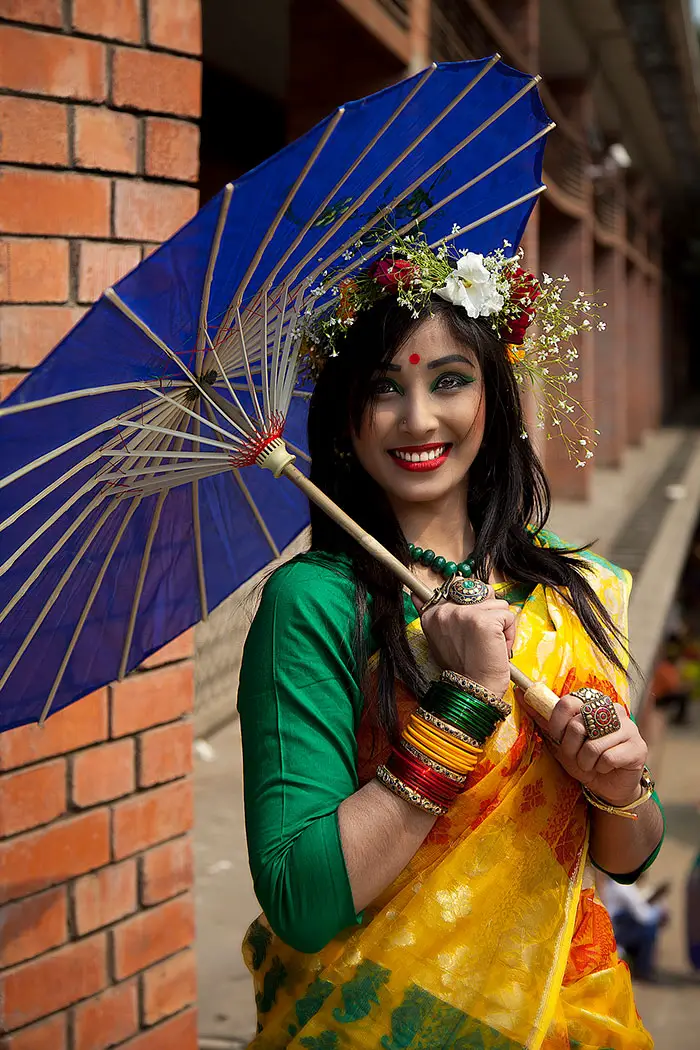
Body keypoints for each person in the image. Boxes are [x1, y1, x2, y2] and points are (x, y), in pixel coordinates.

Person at [237, 240, 665, 1049]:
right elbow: (302, 900)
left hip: (572, 1019)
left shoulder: (576, 588)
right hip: (378, 1022)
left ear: (493, 397)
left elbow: (629, 858)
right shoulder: (317, 603)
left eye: (449, 381)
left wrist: (616, 787)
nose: (419, 419)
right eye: (383, 389)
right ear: (344, 420)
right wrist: (462, 702)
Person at [598, 874, 668, 980]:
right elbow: (643, 916)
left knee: (644, 927)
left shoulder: (613, 884)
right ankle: (643, 970)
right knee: (648, 930)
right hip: (615, 933)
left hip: (611, 928)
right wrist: (659, 913)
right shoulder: (623, 886)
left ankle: (641, 966)